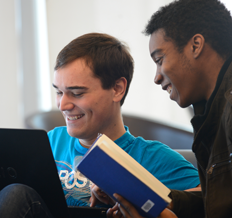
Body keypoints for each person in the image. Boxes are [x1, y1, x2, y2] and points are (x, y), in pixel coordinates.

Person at [0, 33, 200, 218]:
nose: (63, 105)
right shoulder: (49, 143)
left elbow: (212, 199)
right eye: (59, 92)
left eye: (77, 93)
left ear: (117, 89)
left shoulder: (153, 158)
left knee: (16, 194)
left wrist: (139, 197)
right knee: (15, 193)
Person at [107, 0, 232, 218]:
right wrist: (162, 201)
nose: (156, 77)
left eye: (160, 60)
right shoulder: (210, 111)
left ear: (196, 45)